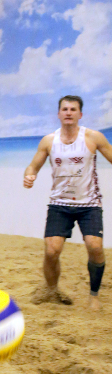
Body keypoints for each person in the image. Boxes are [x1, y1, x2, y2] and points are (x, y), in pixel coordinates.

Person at [24, 95, 112, 310]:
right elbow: (33, 165)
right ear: (59, 114)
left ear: (80, 114)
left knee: (95, 247)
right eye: (65, 109)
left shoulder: (93, 137)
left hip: (89, 204)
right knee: (51, 251)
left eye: (73, 109)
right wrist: (29, 175)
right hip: (59, 203)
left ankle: (94, 296)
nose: (69, 113)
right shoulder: (49, 141)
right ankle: (51, 290)